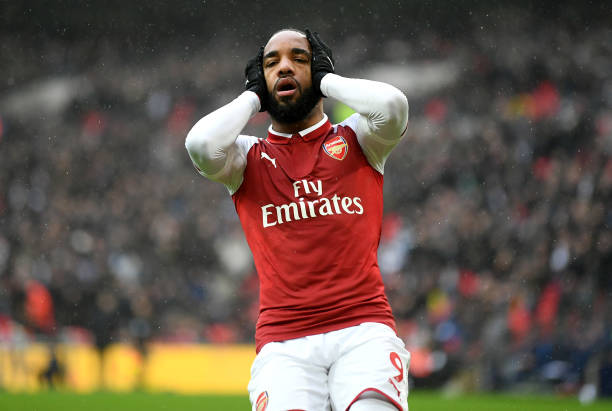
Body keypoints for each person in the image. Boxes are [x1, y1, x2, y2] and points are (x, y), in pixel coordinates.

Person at [185, 28, 410, 411]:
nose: (284, 67)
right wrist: (253, 97)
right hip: (284, 343)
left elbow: (392, 105)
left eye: (299, 60)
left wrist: (327, 81)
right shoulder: (246, 158)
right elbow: (200, 145)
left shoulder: (357, 139)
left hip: (363, 329)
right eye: (271, 64)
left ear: (319, 69)